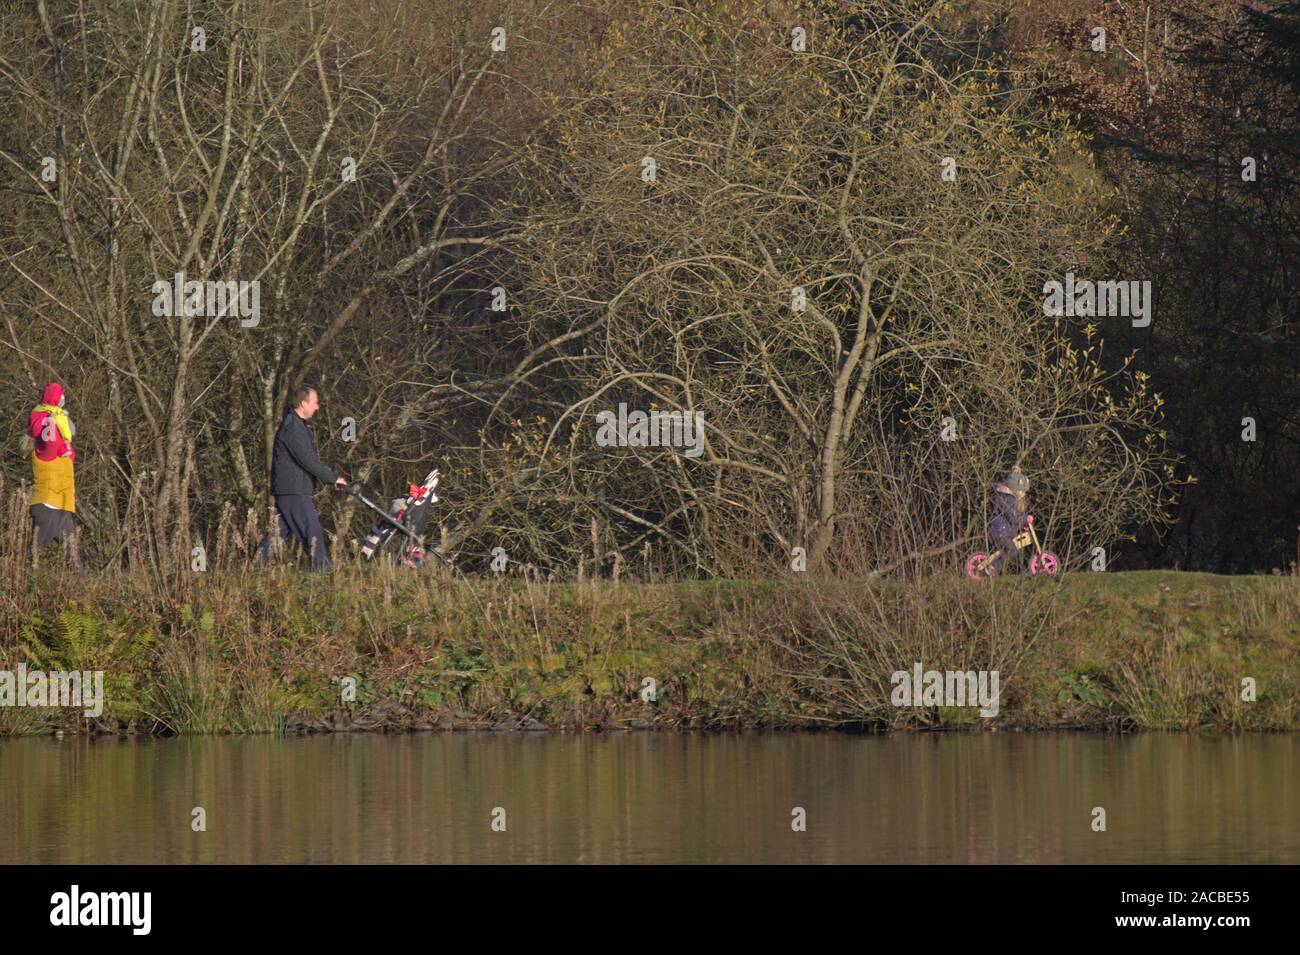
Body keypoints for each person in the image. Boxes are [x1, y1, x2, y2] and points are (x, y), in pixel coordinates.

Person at [257, 386, 348, 570]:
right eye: (315, 402)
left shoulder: (298, 426)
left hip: (290, 489)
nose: (317, 407)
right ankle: (323, 572)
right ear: (303, 403)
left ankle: (256, 567)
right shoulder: (292, 428)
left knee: (276, 534)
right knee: (312, 531)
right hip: (293, 490)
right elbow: (307, 460)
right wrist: (332, 479)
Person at [27, 382, 84, 572]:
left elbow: (70, 431)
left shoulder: (62, 446)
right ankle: (16, 586)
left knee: (74, 561)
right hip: (48, 506)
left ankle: (86, 588)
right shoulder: (47, 446)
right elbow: (47, 438)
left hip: (60, 506)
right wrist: (51, 421)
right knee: (31, 560)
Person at [988, 469, 1031, 573]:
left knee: (1017, 546)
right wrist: (1025, 519)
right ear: (1014, 489)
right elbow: (1014, 516)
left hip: (1004, 531)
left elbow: (1015, 516)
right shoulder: (1007, 499)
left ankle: (993, 565)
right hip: (1000, 532)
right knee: (1013, 549)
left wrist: (1024, 523)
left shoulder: (1009, 499)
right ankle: (992, 567)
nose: (1024, 494)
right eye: (1022, 491)